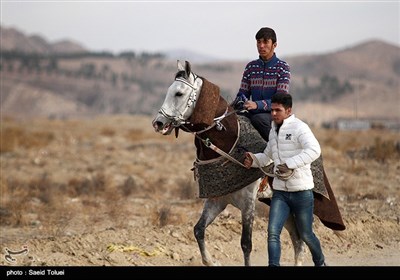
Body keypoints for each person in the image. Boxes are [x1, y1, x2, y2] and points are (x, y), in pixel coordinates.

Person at [243, 93, 326, 267]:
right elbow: (267, 156)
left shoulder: (300, 128)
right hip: (280, 193)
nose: (273, 114)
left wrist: (290, 164)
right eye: (272, 110)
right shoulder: (273, 131)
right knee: (273, 232)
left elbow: (314, 150)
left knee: (306, 234)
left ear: (288, 110)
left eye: (277, 110)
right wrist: (254, 160)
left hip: (302, 192)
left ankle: (320, 263)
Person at [234, 27, 290, 142]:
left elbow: (280, 101)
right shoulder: (251, 67)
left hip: (274, 115)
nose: (261, 46)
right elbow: (242, 94)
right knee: (231, 121)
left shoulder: (283, 68)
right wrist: (238, 104)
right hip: (253, 113)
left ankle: (277, 147)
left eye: (265, 42)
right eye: (259, 42)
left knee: (258, 119)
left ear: (274, 45)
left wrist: (256, 105)